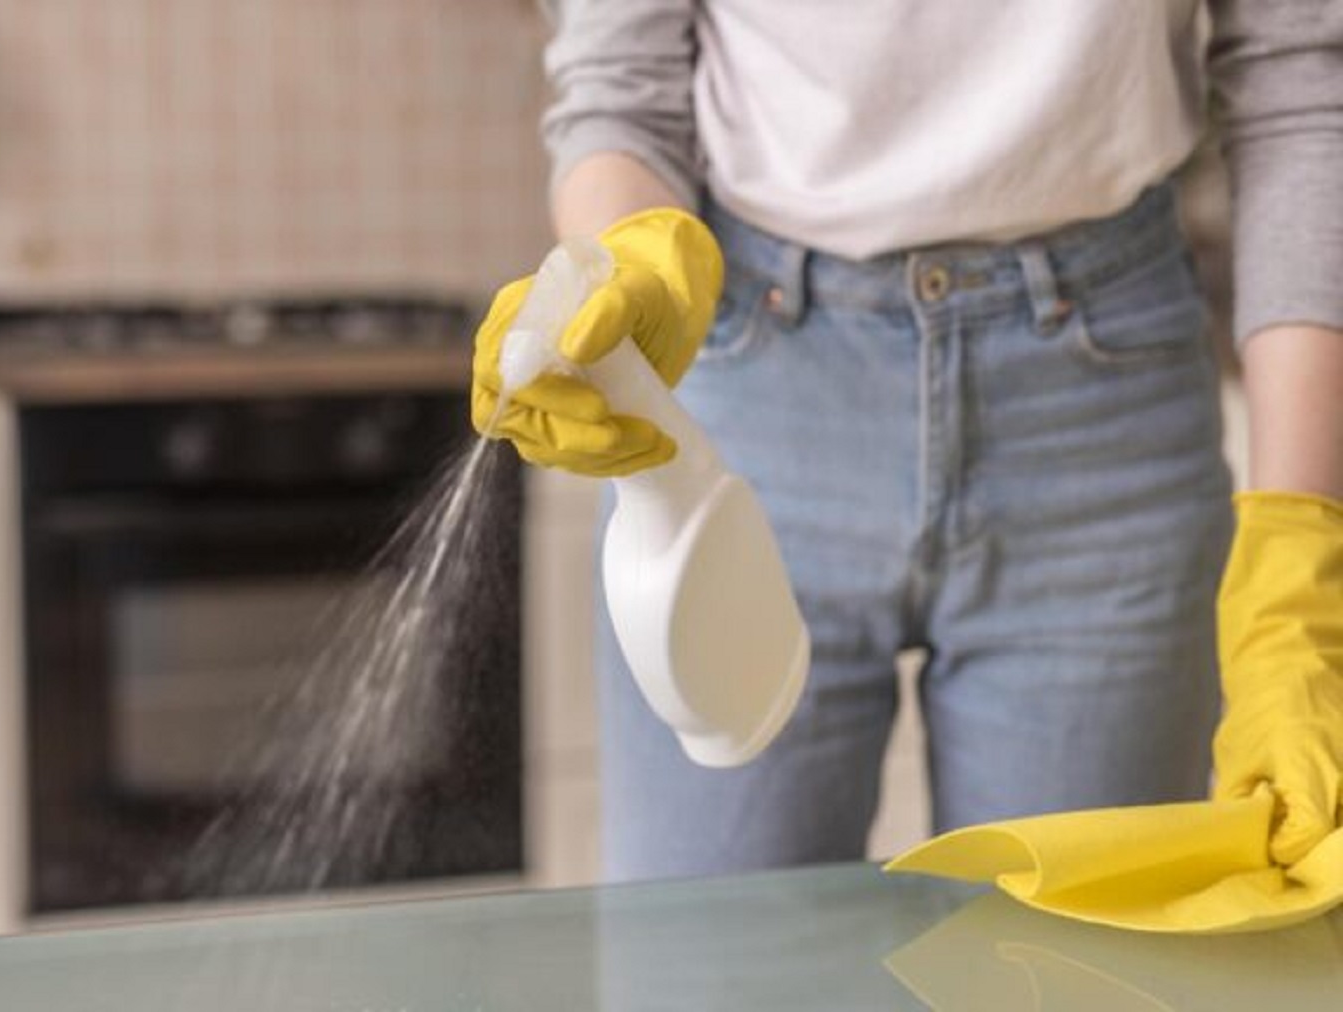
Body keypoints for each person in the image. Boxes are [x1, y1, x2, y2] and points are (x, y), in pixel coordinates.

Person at [472, 1, 1343, 881]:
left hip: (1101, 424)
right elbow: (621, 96)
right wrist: (625, 267)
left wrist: (1298, 554)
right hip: (746, 408)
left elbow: (1301, 85)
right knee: (711, 973)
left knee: (1079, 979)